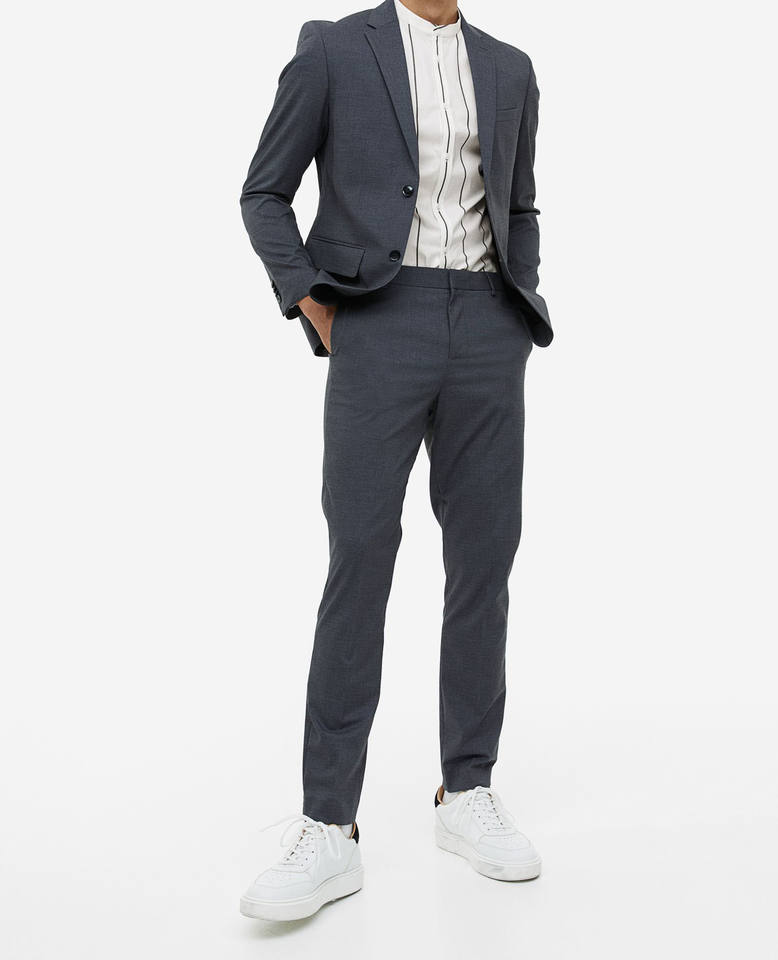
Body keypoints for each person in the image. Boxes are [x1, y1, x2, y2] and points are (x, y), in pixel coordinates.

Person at [239, 0, 551, 921]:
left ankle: (469, 788)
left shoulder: (511, 66)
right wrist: (311, 300)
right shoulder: (335, 49)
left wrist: (518, 302)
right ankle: (328, 823)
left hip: (489, 324)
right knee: (361, 557)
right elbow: (263, 192)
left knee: (484, 560)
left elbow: (520, 203)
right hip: (377, 319)